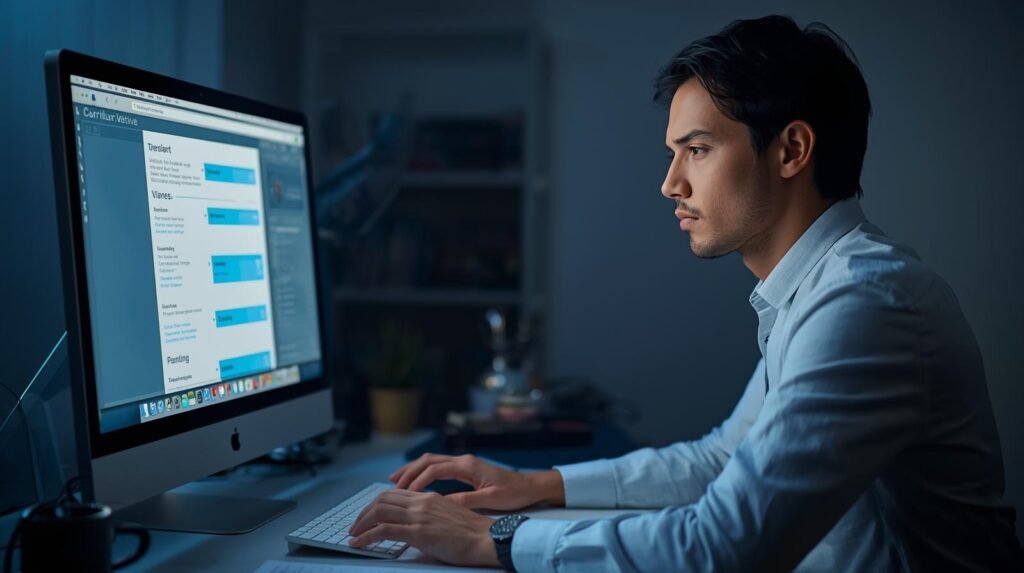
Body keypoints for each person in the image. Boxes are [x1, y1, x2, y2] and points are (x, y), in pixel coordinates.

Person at [348, 15, 1023, 571]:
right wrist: (535, 486)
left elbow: (724, 546)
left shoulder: (866, 304)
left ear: (791, 150)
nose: (671, 183)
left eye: (697, 149)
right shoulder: (820, 290)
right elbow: (723, 458)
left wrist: (494, 538)